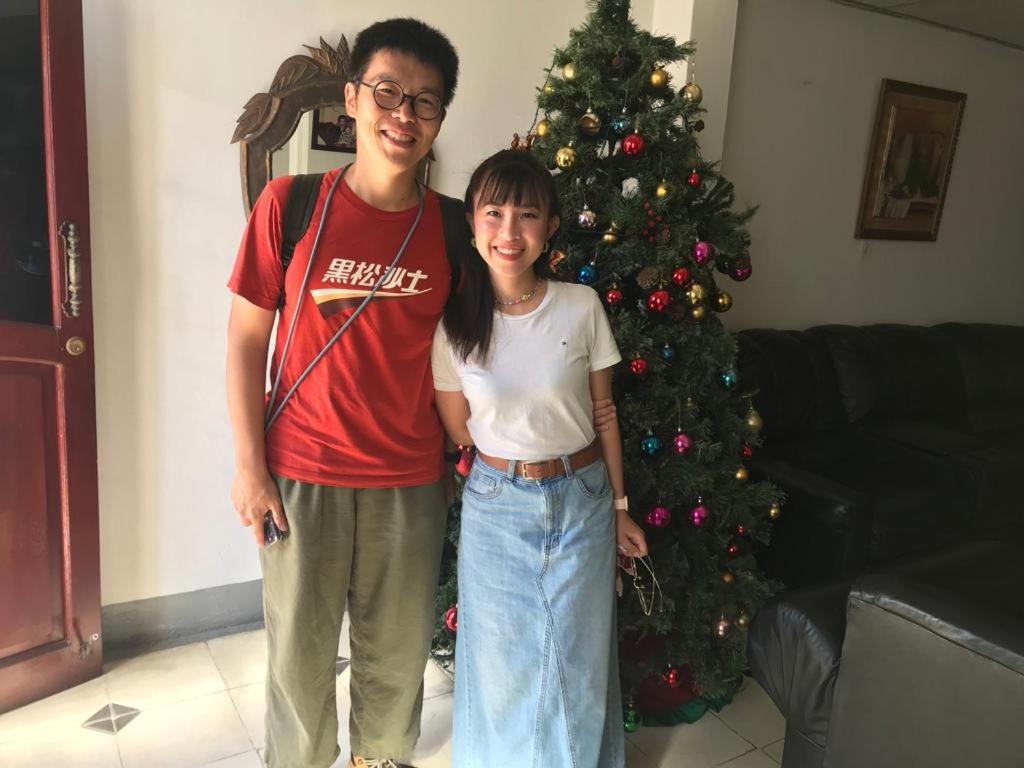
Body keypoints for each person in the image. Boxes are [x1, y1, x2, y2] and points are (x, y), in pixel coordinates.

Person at [226, 18, 461, 768]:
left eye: (425, 102)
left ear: (439, 121)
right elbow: (242, 340)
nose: (404, 115)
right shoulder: (291, 206)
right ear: (352, 100)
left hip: (410, 480)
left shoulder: (456, 230)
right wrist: (248, 464)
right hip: (301, 475)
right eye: (388, 92)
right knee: (297, 662)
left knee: (395, 661)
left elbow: (474, 356)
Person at [431, 149, 648, 768]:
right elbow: (459, 430)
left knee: (575, 663)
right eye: (493, 213)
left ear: (550, 227)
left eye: (527, 215)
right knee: (501, 667)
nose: (509, 231)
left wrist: (620, 507)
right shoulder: (452, 327)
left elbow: (604, 415)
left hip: (582, 499)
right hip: (497, 508)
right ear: (472, 223)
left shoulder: (580, 306)